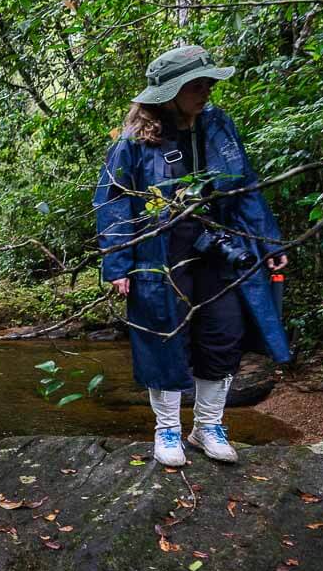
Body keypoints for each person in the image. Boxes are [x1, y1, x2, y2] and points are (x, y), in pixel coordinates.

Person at [95, 44, 290, 467]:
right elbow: (112, 205)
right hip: (159, 253)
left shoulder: (219, 125)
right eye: (196, 85)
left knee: (223, 332)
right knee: (164, 336)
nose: (205, 92)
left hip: (219, 250)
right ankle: (166, 429)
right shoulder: (133, 143)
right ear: (169, 92)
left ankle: (207, 426)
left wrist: (268, 242)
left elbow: (246, 186)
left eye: (207, 84)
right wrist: (118, 263)